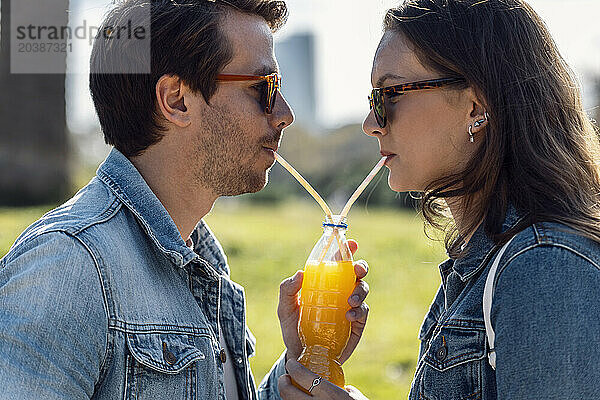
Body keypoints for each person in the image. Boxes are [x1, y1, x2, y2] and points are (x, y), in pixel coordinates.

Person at [0, 1, 370, 399]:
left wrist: (298, 370)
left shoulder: (204, 257)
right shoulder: (68, 267)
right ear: (176, 100)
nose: (284, 114)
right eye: (263, 88)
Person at [278, 0, 600, 399]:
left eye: (391, 94)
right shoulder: (478, 268)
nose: (371, 123)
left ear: (476, 107)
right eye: (373, 99)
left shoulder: (544, 266)